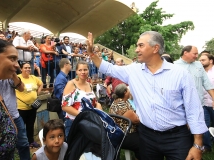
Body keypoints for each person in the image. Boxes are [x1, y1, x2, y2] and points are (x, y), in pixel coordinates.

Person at [86, 31, 207, 160]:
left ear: (155, 48)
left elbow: (194, 109)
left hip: (177, 138)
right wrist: (92, 53)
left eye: (141, 45)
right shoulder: (133, 71)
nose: (136, 50)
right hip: (147, 137)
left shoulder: (180, 74)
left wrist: (198, 144)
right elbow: (108, 68)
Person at [62, 61, 102, 138]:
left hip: (90, 123)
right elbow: (65, 106)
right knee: (73, 148)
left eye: (85, 69)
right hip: (74, 122)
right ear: (76, 71)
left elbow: (94, 102)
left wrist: (98, 107)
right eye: (80, 70)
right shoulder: (71, 84)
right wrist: (82, 115)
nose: (83, 72)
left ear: (88, 71)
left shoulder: (90, 85)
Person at [0, 73, 31, 160]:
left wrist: (12, 73)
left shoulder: (9, 76)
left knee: (23, 144)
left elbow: (21, 88)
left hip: (15, 116)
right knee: (2, 147)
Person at [109, 84, 140, 160]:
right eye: (128, 90)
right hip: (124, 135)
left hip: (118, 133)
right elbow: (136, 120)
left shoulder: (118, 101)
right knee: (145, 141)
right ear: (125, 92)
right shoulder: (122, 104)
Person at [16, 62, 43, 148]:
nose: (28, 69)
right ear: (21, 69)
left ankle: (31, 141)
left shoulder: (33, 77)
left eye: (29, 68)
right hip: (21, 108)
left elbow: (41, 84)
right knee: (21, 127)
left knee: (30, 125)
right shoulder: (17, 78)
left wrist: (38, 92)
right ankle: (21, 144)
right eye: (25, 68)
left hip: (32, 107)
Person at [199, 52, 214, 152]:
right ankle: (207, 146)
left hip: (213, 103)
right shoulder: (200, 72)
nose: (200, 62)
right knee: (205, 125)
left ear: (211, 61)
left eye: (203, 60)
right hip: (203, 103)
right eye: (200, 60)